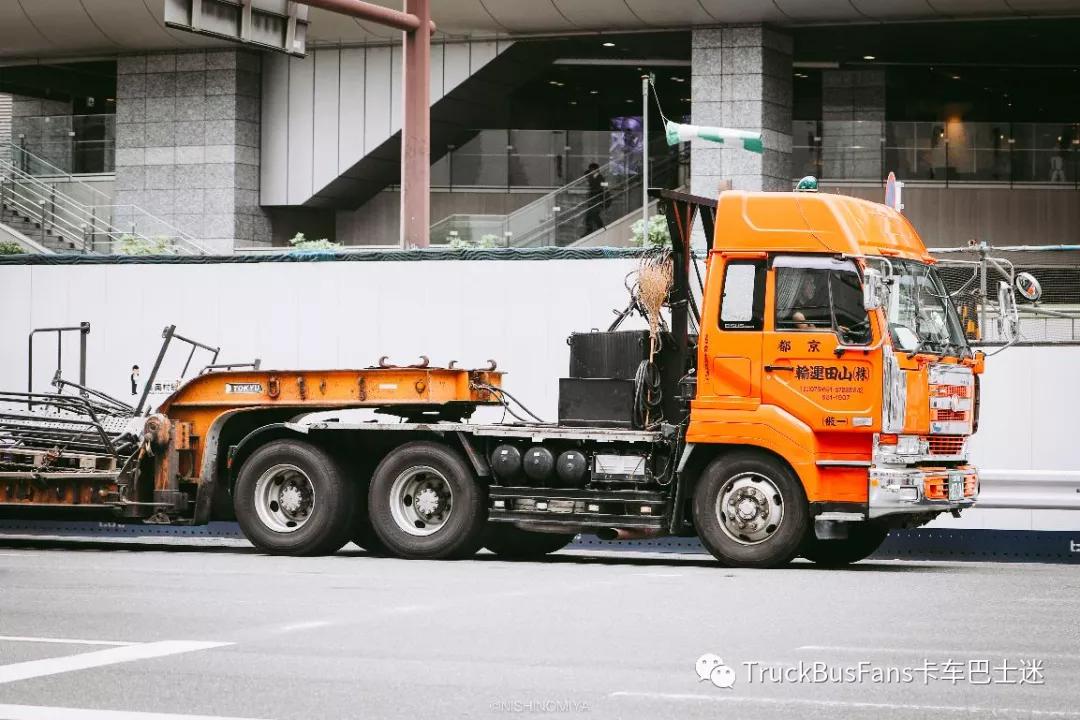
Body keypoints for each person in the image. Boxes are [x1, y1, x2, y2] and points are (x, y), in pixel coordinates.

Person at [582, 163, 606, 237]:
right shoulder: (592, 177)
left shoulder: (600, 178)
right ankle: (592, 230)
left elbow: (600, 188)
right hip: (592, 200)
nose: (590, 171)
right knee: (590, 216)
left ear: (595, 170)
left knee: (593, 215)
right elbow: (586, 174)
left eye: (591, 170)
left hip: (597, 200)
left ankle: (600, 229)